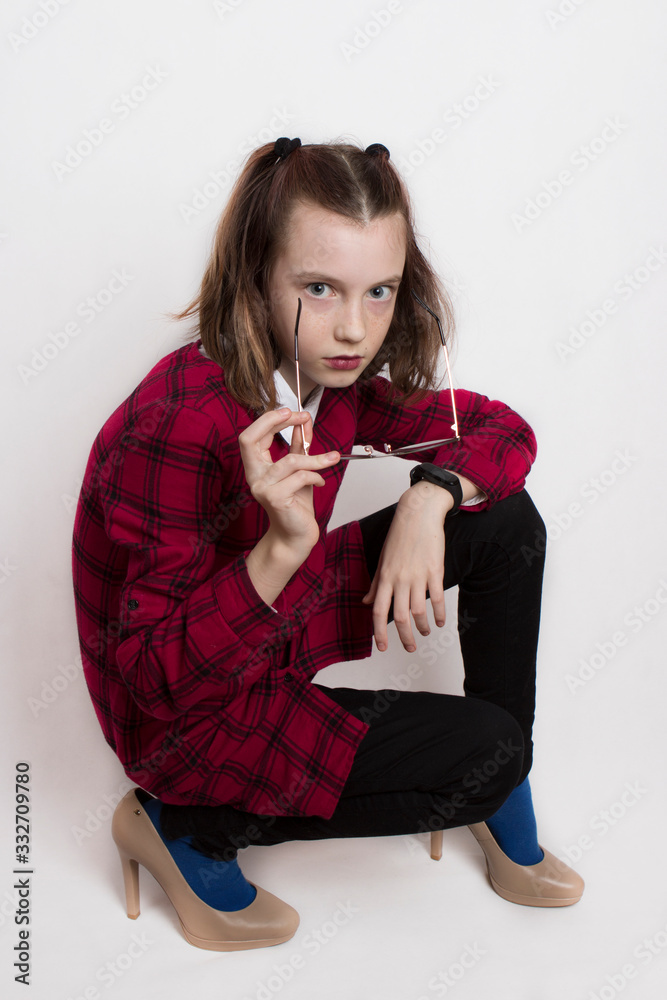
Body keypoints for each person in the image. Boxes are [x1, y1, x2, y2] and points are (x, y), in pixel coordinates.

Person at [71, 136, 583, 953]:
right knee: (482, 751)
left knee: (502, 520)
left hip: (264, 635)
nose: (353, 328)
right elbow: (149, 684)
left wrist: (429, 496)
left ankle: (505, 791)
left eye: (378, 291)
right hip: (186, 719)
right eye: (319, 288)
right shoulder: (177, 423)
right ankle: (183, 823)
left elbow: (500, 429)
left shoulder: (328, 381)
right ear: (257, 276)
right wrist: (277, 552)